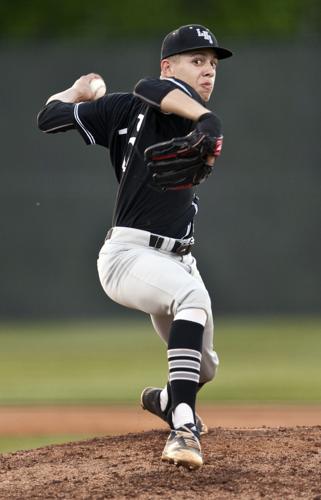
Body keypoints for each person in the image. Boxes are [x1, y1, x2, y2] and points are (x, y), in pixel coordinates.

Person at [37, 24, 232, 470]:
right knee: (192, 299)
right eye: (197, 61)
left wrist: (203, 120)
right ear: (169, 66)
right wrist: (75, 90)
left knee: (205, 368)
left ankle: (166, 400)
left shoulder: (190, 115)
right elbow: (50, 118)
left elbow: (157, 91)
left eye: (212, 65)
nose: (208, 72)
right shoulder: (134, 104)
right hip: (129, 256)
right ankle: (184, 426)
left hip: (179, 259)